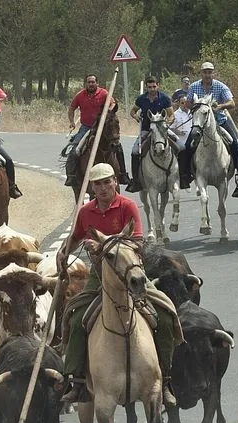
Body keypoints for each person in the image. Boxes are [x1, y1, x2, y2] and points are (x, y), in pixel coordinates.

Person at [55, 163, 180, 406]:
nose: (102, 188)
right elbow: (75, 238)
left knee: (164, 316)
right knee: (75, 318)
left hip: (131, 273)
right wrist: (63, 252)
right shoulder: (85, 212)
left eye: (107, 182)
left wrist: (103, 245)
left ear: (115, 182)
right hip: (100, 275)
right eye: (97, 184)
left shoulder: (127, 206)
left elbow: (138, 243)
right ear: (91, 187)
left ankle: (165, 379)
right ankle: (78, 381)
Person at [182, 62, 238, 192]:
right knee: (187, 146)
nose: (207, 75)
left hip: (219, 121)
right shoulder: (194, 86)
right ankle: (186, 175)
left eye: (210, 72)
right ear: (201, 73)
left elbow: (232, 103)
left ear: (213, 73)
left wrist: (220, 107)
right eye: (205, 72)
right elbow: (187, 103)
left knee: (236, 145)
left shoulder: (220, 86)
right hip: (200, 124)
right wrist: (197, 107)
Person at [63, 74, 127, 187]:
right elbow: (72, 108)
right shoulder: (80, 95)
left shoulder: (104, 93)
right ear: (85, 84)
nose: (91, 84)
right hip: (86, 127)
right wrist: (72, 122)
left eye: (93, 82)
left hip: (102, 126)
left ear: (97, 83)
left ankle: (123, 174)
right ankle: (71, 176)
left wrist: (107, 113)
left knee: (117, 146)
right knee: (75, 149)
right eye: (89, 82)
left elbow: (112, 104)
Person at [126, 76, 173, 193]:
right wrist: (137, 117)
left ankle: (182, 176)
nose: (152, 89)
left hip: (162, 130)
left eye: (154, 86)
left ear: (158, 86)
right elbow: (133, 111)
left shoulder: (165, 99)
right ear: (146, 87)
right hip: (146, 130)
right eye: (149, 87)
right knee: (135, 152)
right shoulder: (141, 99)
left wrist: (169, 121)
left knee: (181, 146)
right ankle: (136, 181)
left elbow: (171, 114)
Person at [169, 91, 194, 189]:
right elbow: (169, 128)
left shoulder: (192, 113)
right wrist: (178, 132)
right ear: (179, 103)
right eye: (182, 103)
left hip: (193, 140)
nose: (185, 105)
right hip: (181, 141)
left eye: (186, 103)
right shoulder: (175, 115)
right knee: (184, 152)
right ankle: (183, 176)